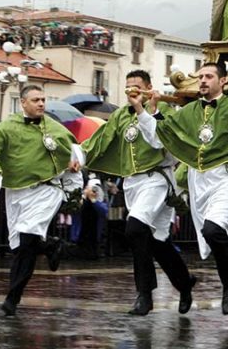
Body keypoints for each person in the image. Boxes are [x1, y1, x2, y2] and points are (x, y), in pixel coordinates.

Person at [134, 63, 228, 326]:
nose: (202, 81)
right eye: (200, 77)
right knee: (223, 242)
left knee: (214, 232)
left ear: (223, 81)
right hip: (200, 182)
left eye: (208, 76)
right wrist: (143, 109)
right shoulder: (190, 111)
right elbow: (161, 137)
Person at [83, 69, 195, 316]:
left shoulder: (164, 111)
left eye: (137, 86)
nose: (132, 91)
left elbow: (160, 142)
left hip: (157, 179)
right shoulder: (121, 115)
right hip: (132, 183)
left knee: (134, 228)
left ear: (148, 87)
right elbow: (101, 140)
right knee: (156, 242)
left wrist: (147, 112)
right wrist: (77, 156)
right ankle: (185, 283)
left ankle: (144, 294)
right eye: (128, 87)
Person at [0, 85, 83, 317]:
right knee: (21, 245)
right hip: (16, 192)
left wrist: (75, 166)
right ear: (23, 103)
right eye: (35, 100)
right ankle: (51, 245)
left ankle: (12, 298)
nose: (41, 104)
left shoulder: (54, 127)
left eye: (43, 99)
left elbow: (74, 150)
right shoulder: (5, 128)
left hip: (46, 189)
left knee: (28, 239)